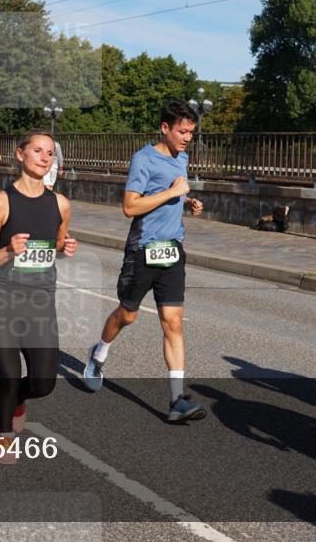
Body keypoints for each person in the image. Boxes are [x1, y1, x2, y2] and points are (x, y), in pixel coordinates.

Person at [81, 99, 206, 423]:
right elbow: (130, 207)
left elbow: (171, 192)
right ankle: (98, 353)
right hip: (143, 250)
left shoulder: (183, 158)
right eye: (182, 131)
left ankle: (177, 399)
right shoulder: (143, 159)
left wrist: (186, 200)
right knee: (128, 316)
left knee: (173, 323)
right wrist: (171, 193)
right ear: (165, 128)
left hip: (173, 248)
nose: (187, 138)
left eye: (191, 132)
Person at [0, 131, 77, 462]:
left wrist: (65, 249)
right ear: (20, 154)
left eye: (50, 152)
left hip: (40, 303)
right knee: (8, 376)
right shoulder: (1, 202)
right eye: (37, 151)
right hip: (2, 300)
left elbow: (56, 247)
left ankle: (17, 399)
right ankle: (3, 436)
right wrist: (8, 249)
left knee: (44, 382)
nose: (45, 157)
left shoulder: (61, 204)